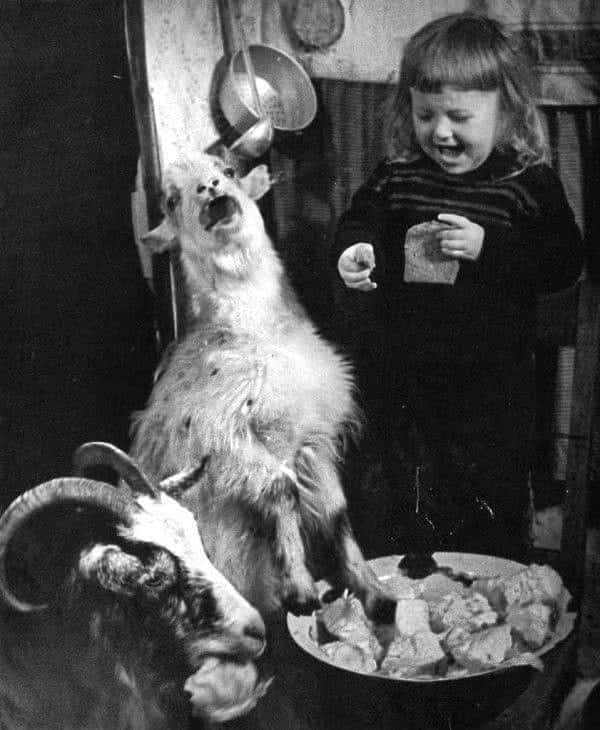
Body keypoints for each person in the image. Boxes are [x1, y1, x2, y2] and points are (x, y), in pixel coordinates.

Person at [332, 12, 583, 562]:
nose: (440, 132)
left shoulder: (525, 182)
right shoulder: (398, 175)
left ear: (507, 112)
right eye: (426, 115)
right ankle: (410, 595)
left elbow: (565, 262)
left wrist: (488, 246)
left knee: (488, 519)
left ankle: (489, 596)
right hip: (404, 385)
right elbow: (359, 220)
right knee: (404, 509)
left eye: (459, 117)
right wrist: (355, 249)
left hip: (493, 395)